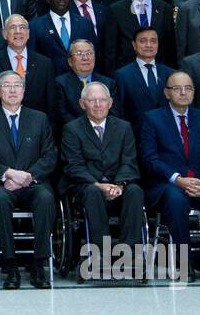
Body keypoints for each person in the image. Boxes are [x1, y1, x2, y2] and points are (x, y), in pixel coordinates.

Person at [139, 71, 200, 282]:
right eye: (177, 88)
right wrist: (178, 179)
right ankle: (184, 261)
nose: (183, 93)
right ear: (166, 93)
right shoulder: (152, 118)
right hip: (168, 184)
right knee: (176, 201)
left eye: (188, 88)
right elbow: (150, 159)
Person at [0, 70, 58, 289]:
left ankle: (39, 264)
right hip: (1, 183)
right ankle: (10, 264)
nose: (12, 90)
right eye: (7, 86)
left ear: (24, 90)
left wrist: (27, 177)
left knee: (46, 198)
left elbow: (49, 156)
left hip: (33, 182)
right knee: (0, 199)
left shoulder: (39, 119)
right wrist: (8, 173)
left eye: (17, 86)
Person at [60, 81, 144, 277]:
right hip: (85, 187)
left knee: (135, 191)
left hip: (118, 186)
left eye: (102, 100)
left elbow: (129, 161)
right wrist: (99, 185)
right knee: (91, 192)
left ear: (110, 103)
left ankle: (128, 254)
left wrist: (120, 185)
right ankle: (101, 253)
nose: (98, 104)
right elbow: (74, 165)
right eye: (92, 100)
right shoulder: (72, 129)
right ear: (82, 104)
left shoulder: (123, 127)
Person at [112, 25, 174, 130]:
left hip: (167, 136)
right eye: (143, 41)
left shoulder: (170, 73)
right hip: (136, 136)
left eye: (153, 41)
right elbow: (118, 110)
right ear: (134, 45)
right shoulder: (123, 75)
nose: (148, 45)